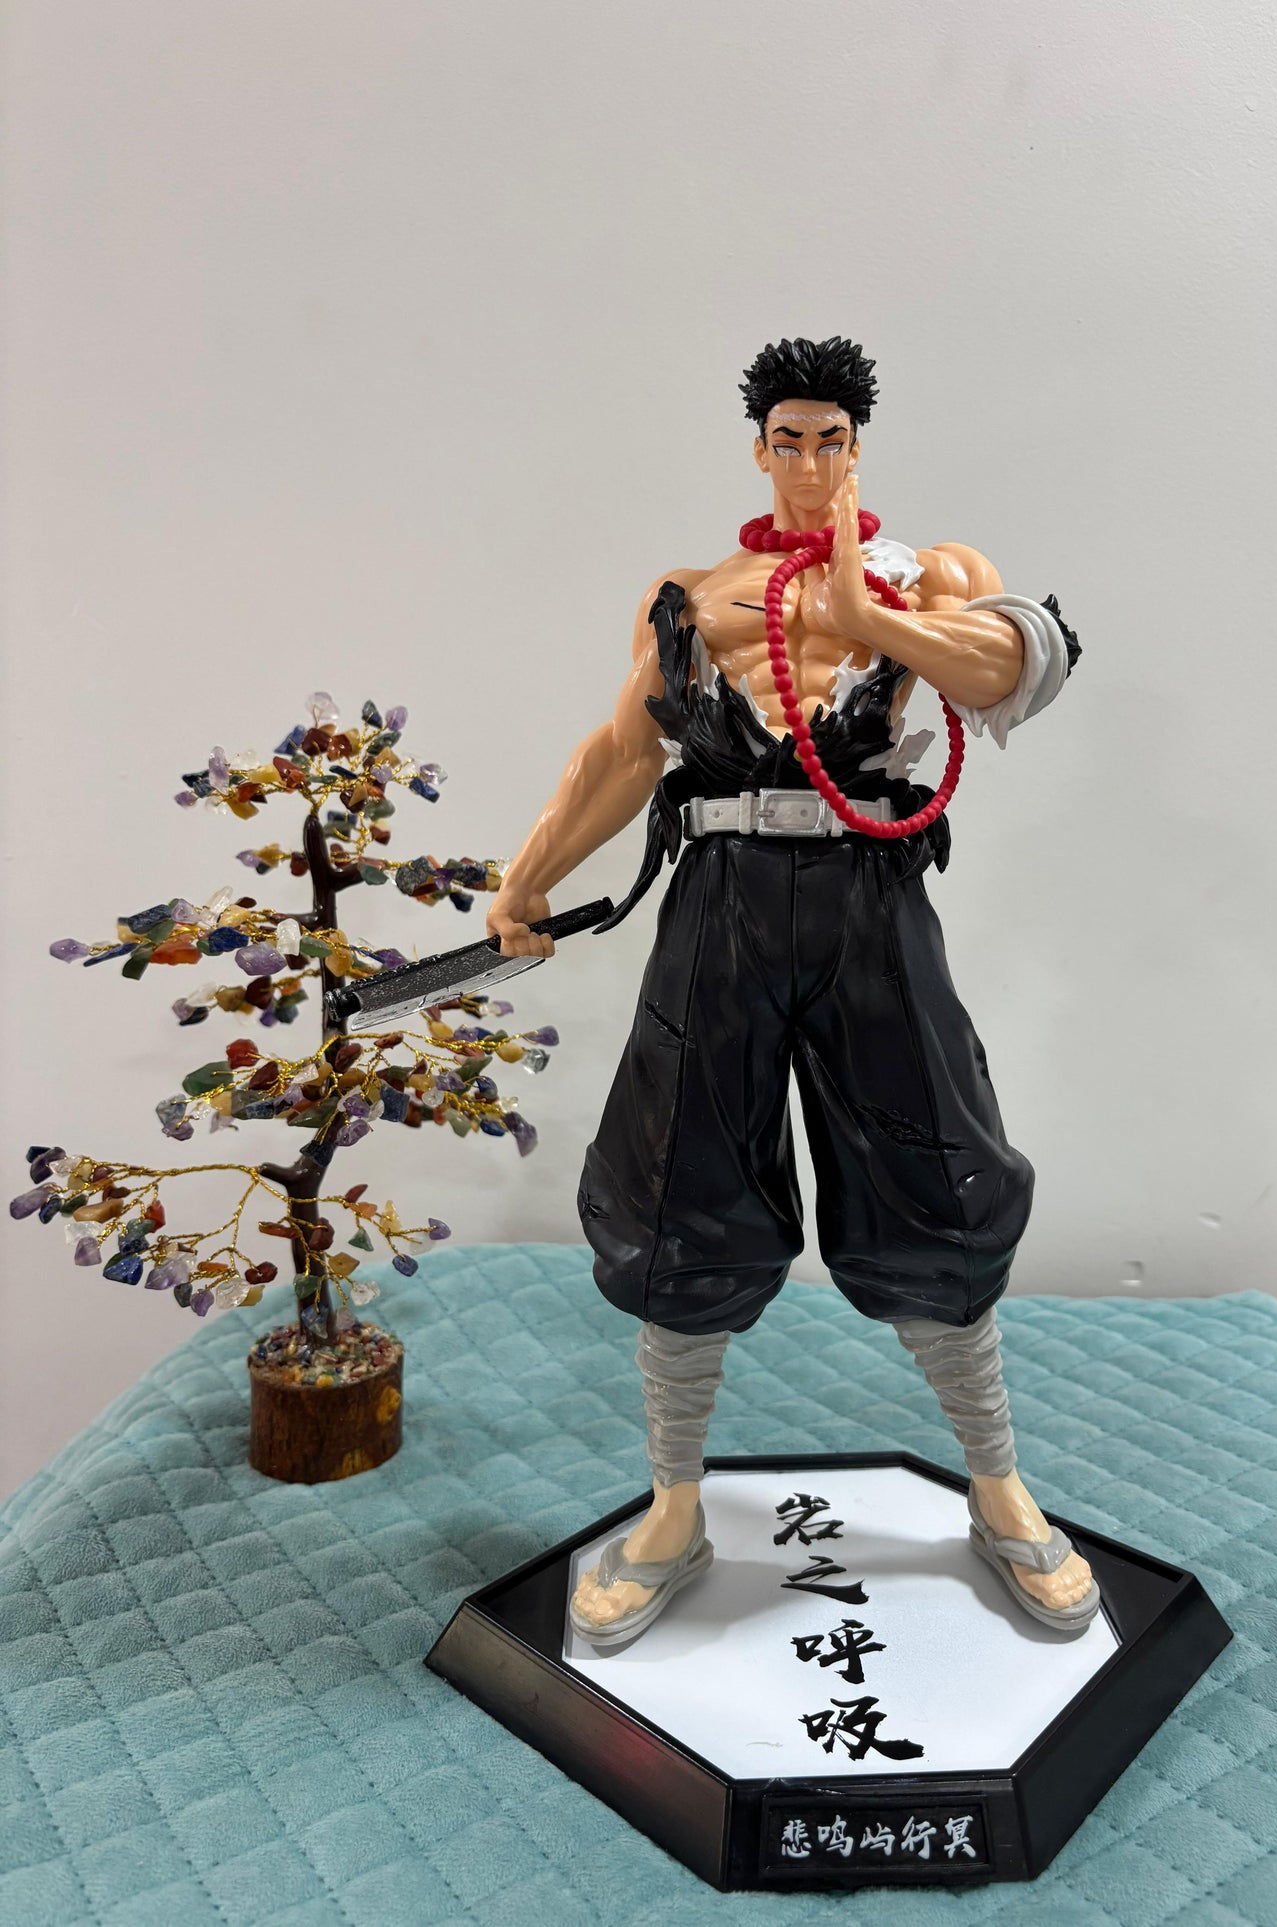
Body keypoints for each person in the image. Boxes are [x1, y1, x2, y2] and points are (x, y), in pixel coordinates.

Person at [486, 337, 1098, 1644]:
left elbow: (1003, 671)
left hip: (869, 896)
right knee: (677, 1180)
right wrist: (527, 878)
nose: (811, 460)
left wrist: (871, 620)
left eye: (831, 438)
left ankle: (997, 1487)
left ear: (857, 446)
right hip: (720, 901)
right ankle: (673, 1507)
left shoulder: (931, 575)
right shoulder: (693, 595)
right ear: (759, 449)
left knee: (936, 1165)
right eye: (789, 439)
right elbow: (622, 750)